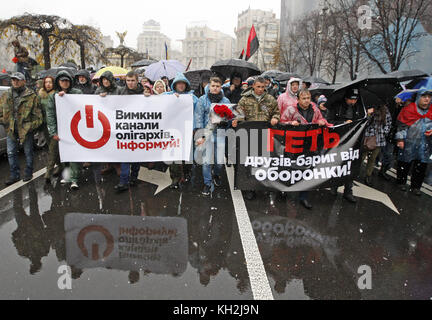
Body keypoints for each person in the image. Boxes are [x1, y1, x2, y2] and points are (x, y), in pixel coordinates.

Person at [280, 89, 332, 209]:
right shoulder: (291, 109)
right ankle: (286, 191)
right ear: (298, 99)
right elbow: (282, 123)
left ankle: (303, 197)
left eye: (308, 98)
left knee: (307, 171)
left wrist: (322, 121)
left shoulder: (315, 109)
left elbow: (324, 121)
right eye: (303, 98)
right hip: (293, 145)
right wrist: (290, 123)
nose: (307, 100)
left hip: (310, 146)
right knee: (290, 169)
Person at [235, 77, 280, 201]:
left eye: (263, 87)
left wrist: (275, 118)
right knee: (250, 162)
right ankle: (250, 188)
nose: (260, 89)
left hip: (265, 134)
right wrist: (237, 120)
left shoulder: (270, 99)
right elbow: (238, 115)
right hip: (249, 135)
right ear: (253, 86)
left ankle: (262, 185)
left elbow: (277, 112)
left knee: (264, 161)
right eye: (258, 86)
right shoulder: (244, 99)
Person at [327, 89, 370, 203]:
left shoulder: (360, 108)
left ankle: (348, 191)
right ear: (346, 98)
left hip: (354, 142)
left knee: (351, 165)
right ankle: (334, 186)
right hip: (339, 141)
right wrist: (343, 124)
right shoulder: (337, 107)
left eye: (355, 99)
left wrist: (367, 117)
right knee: (337, 164)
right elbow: (329, 122)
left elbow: (364, 123)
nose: (353, 101)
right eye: (351, 99)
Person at [0, 72, 43, 185]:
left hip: (25, 129)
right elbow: (1, 111)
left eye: (18, 80)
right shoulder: (6, 95)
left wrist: (29, 126)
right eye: (13, 80)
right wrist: (4, 122)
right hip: (11, 129)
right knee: (10, 152)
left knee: (28, 152)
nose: (15, 82)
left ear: (23, 81)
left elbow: (38, 117)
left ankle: (28, 172)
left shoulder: (31, 96)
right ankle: (14, 175)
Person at [46, 71, 83, 189]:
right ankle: (68, 176)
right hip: (62, 130)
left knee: (74, 155)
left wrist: (67, 98)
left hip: (76, 128)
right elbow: (50, 114)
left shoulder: (77, 93)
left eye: (67, 81)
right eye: (62, 81)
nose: (65, 83)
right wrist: (53, 132)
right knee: (65, 154)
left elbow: (83, 104)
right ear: (58, 82)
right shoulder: (53, 96)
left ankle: (74, 179)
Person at [195, 77, 231, 196]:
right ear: (209, 87)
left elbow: (230, 118)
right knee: (206, 161)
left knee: (219, 162)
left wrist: (226, 122)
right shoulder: (202, 100)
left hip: (220, 133)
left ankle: (216, 174)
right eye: (213, 86)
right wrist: (199, 134)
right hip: (206, 134)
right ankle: (207, 183)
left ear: (221, 87)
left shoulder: (225, 101)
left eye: (217, 86)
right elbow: (198, 117)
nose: (215, 88)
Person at [164, 72, 199, 189]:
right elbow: (156, 101)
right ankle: (175, 178)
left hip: (188, 130)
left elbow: (197, 113)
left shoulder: (193, 98)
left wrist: (195, 128)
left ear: (186, 85)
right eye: (178, 83)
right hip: (173, 131)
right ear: (174, 85)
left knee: (187, 155)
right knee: (173, 155)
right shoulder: (168, 95)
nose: (180, 86)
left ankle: (187, 172)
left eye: (183, 84)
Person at [395, 88, 432, 196]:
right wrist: (400, 139)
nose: (427, 99)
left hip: (425, 144)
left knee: (421, 166)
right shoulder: (409, 109)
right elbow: (401, 126)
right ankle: (401, 181)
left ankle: (416, 186)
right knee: (404, 163)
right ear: (418, 97)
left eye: (429, 97)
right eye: (424, 96)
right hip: (409, 142)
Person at [115, 71, 144, 193]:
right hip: (125, 128)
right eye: (128, 81)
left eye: (132, 80)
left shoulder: (144, 93)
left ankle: (134, 178)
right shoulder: (121, 92)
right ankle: (124, 181)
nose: (130, 83)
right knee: (125, 155)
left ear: (137, 80)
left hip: (139, 128)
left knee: (137, 155)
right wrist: (103, 96)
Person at [361, 105, 392, 187]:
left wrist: (384, 132)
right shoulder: (367, 108)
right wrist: (368, 114)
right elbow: (363, 122)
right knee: (362, 157)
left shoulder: (385, 110)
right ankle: (354, 173)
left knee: (372, 159)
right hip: (367, 137)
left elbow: (388, 123)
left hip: (379, 139)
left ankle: (368, 176)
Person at [37, 76, 57, 183]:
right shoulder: (41, 95)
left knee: (52, 149)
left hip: (54, 125)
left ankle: (48, 173)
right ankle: (61, 166)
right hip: (45, 125)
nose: (48, 84)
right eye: (46, 82)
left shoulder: (56, 94)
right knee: (51, 147)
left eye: (50, 82)